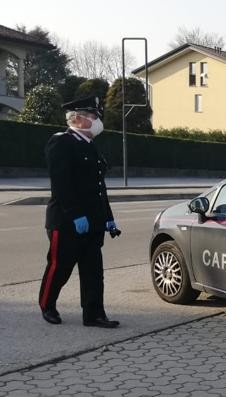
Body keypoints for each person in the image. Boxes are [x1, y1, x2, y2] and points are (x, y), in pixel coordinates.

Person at [39, 96, 121, 328]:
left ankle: (94, 314)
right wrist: (76, 214)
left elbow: (98, 188)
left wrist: (108, 218)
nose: (97, 121)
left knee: (93, 271)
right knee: (59, 267)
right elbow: (61, 184)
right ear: (77, 118)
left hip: (92, 222)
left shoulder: (90, 145)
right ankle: (47, 304)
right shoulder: (61, 142)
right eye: (93, 117)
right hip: (66, 221)